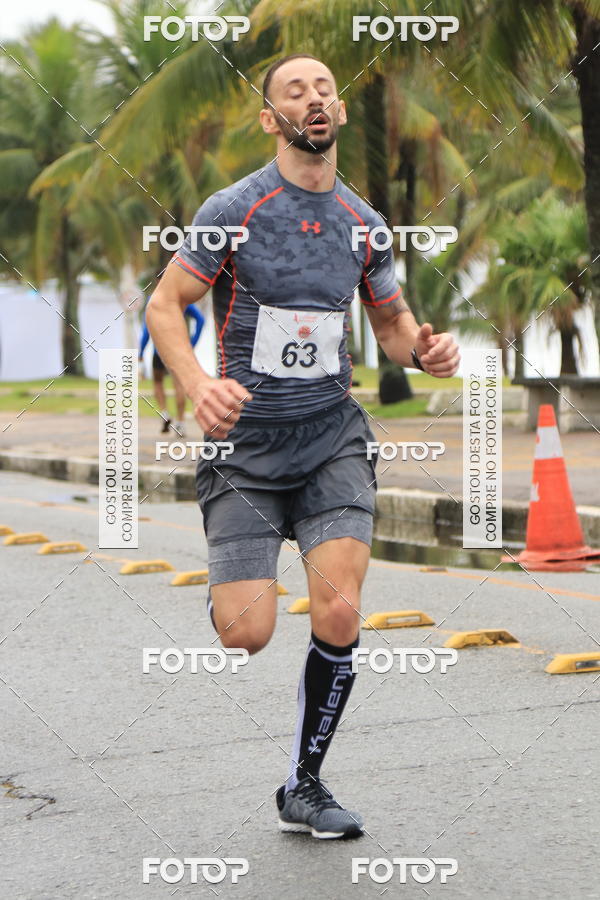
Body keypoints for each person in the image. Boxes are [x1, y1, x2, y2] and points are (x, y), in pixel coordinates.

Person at [147, 54, 460, 839]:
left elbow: (388, 326)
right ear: (270, 119)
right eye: (295, 91)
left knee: (342, 607)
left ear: (339, 115)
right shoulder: (236, 207)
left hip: (332, 440)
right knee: (246, 632)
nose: (313, 99)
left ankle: (305, 785)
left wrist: (420, 349)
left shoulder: (363, 223)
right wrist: (196, 386)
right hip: (245, 451)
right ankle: (232, 580)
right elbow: (165, 302)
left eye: (324, 90)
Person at [139, 301, 204, 436]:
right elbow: (200, 319)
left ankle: (164, 413)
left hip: (159, 350)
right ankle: (180, 424)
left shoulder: (154, 298)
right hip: (177, 350)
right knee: (179, 385)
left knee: (158, 383)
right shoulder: (180, 296)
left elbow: (147, 328)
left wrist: (141, 352)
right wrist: (192, 343)